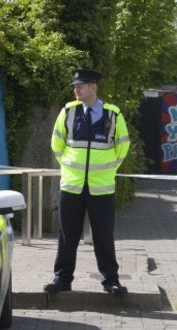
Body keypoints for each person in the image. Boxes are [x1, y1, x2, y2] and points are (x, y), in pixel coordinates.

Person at [44, 68, 130, 295]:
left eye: (80, 86)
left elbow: (122, 147)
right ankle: (62, 279)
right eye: (75, 86)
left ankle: (111, 280)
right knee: (66, 235)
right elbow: (57, 144)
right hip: (71, 186)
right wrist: (69, 167)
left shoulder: (113, 114)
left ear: (94, 87)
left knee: (103, 235)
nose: (76, 89)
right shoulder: (68, 112)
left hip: (101, 188)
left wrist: (109, 168)